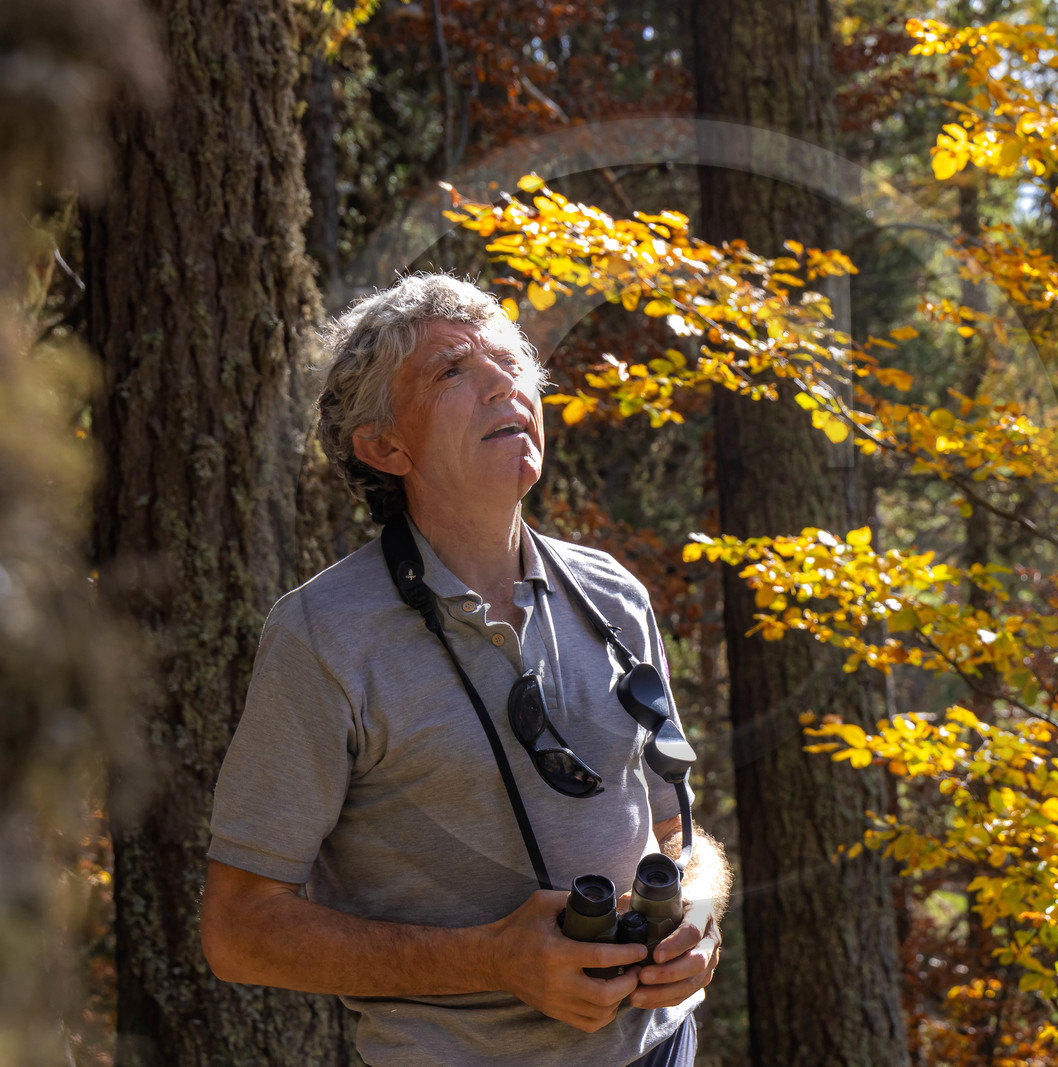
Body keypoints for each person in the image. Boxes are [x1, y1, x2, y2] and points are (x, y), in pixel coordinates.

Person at [199, 273, 729, 1067]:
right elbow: (238, 931)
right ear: (384, 445)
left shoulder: (614, 596)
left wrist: (700, 905)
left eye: (513, 362)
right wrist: (491, 959)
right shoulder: (323, 636)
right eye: (453, 370)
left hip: (663, 1050)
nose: (503, 383)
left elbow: (674, 828)